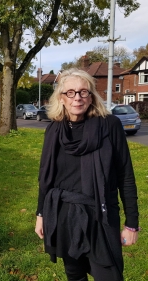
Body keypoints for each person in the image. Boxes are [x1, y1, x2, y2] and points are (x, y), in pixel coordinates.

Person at [34, 68, 140, 281]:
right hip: (63, 213)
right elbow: (46, 177)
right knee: (74, 275)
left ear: (91, 96)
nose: (77, 98)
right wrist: (40, 214)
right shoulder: (54, 130)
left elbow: (125, 175)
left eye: (83, 92)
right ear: (61, 98)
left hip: (101, 215)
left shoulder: (109, 126)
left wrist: (131, 224)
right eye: (70, 93)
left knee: (109, 276)